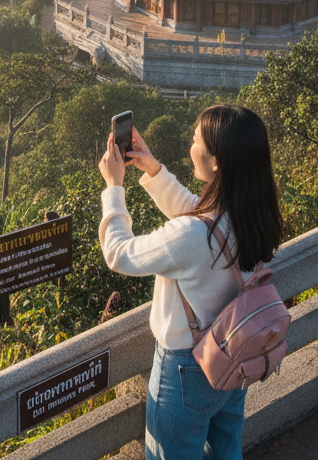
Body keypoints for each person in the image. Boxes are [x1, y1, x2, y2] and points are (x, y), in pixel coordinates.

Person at [98, 104, 282, 460]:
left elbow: (119, 253)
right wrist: (153, 170)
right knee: (226, 449)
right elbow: (199, 216)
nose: (190, 146)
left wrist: (114, 188)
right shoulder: (253, 215)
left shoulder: (193, 235)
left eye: (196, 141)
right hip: (236, 352)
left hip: (186, 370)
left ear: (216, 163)